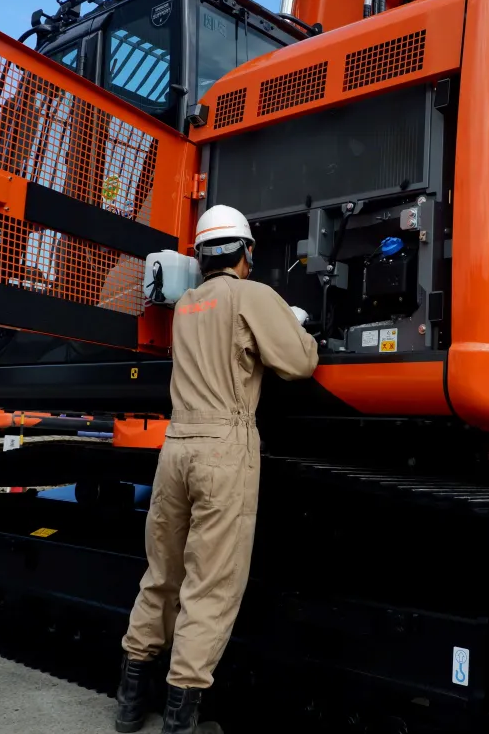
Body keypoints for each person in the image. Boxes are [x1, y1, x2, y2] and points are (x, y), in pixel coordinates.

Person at [115, 205, 319, 733]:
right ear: (246, 252)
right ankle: (180, 718)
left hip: (176, 446)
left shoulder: (185, 305)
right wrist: (295, 324)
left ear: (202, 255)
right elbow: (298, 363)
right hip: (224, 448)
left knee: (161, 574)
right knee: (210, 585)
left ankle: (130, 702)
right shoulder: (251, 296)